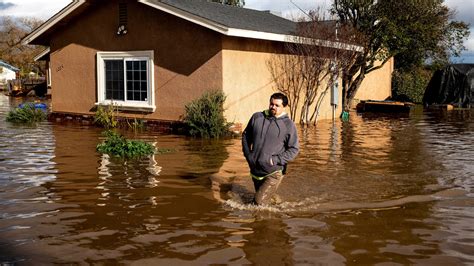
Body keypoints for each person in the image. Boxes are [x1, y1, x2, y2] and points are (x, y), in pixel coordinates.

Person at [242, 92, 299, 205]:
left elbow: (294, 149)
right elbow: (245, 135)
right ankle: (275, 207)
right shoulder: (257, 117)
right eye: (271, 104)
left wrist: (275, 160)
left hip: (274, 171)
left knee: (259, 202)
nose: (273, 107)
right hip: (255, 170)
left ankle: (266, 220)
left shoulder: (288, 125)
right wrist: (248, 155)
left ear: (284, 107)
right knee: (262, 200)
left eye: (277, 105)